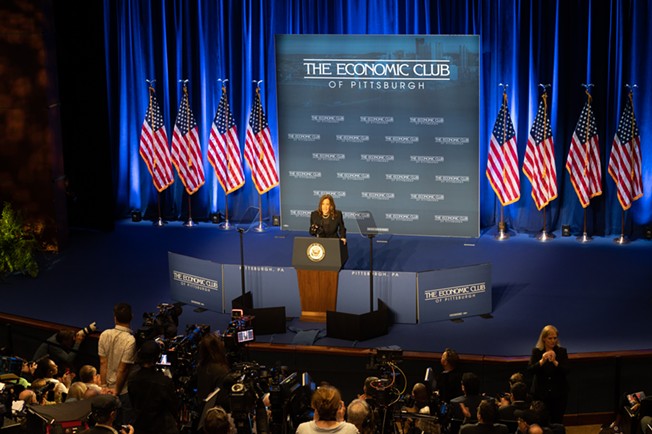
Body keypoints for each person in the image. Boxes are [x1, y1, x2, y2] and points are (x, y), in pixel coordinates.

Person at [128, 340, 179, 434]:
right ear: (157, 358)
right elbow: (173, 406)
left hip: (139, 427)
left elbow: (132, 402)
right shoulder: (164, 381)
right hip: (160, 428)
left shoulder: (132, 378)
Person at [98, 303, 136, 424]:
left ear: (115, 318)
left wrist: (104, 387)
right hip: (122, 392)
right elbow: (122, 369)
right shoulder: (130, 340)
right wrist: (116, 391)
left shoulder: (104, 334)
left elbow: (103, 362)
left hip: (106, 390)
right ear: (131, 317)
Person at [527, 325, 569, 424]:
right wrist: (542, 361)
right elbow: (530, 370)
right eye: (550, 338)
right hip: (541, 395)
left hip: (558, 395)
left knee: (557, 421)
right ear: (544, 339)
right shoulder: (537, 352)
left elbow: (567, 370)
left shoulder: (561, 351)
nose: (553, 341)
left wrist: (555, 362)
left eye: (555, 338)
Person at [195, 333, 231, 401]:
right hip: (217, 410)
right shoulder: (222, 370)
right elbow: (223, 398)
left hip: (203, 408)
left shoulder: (200, 367)